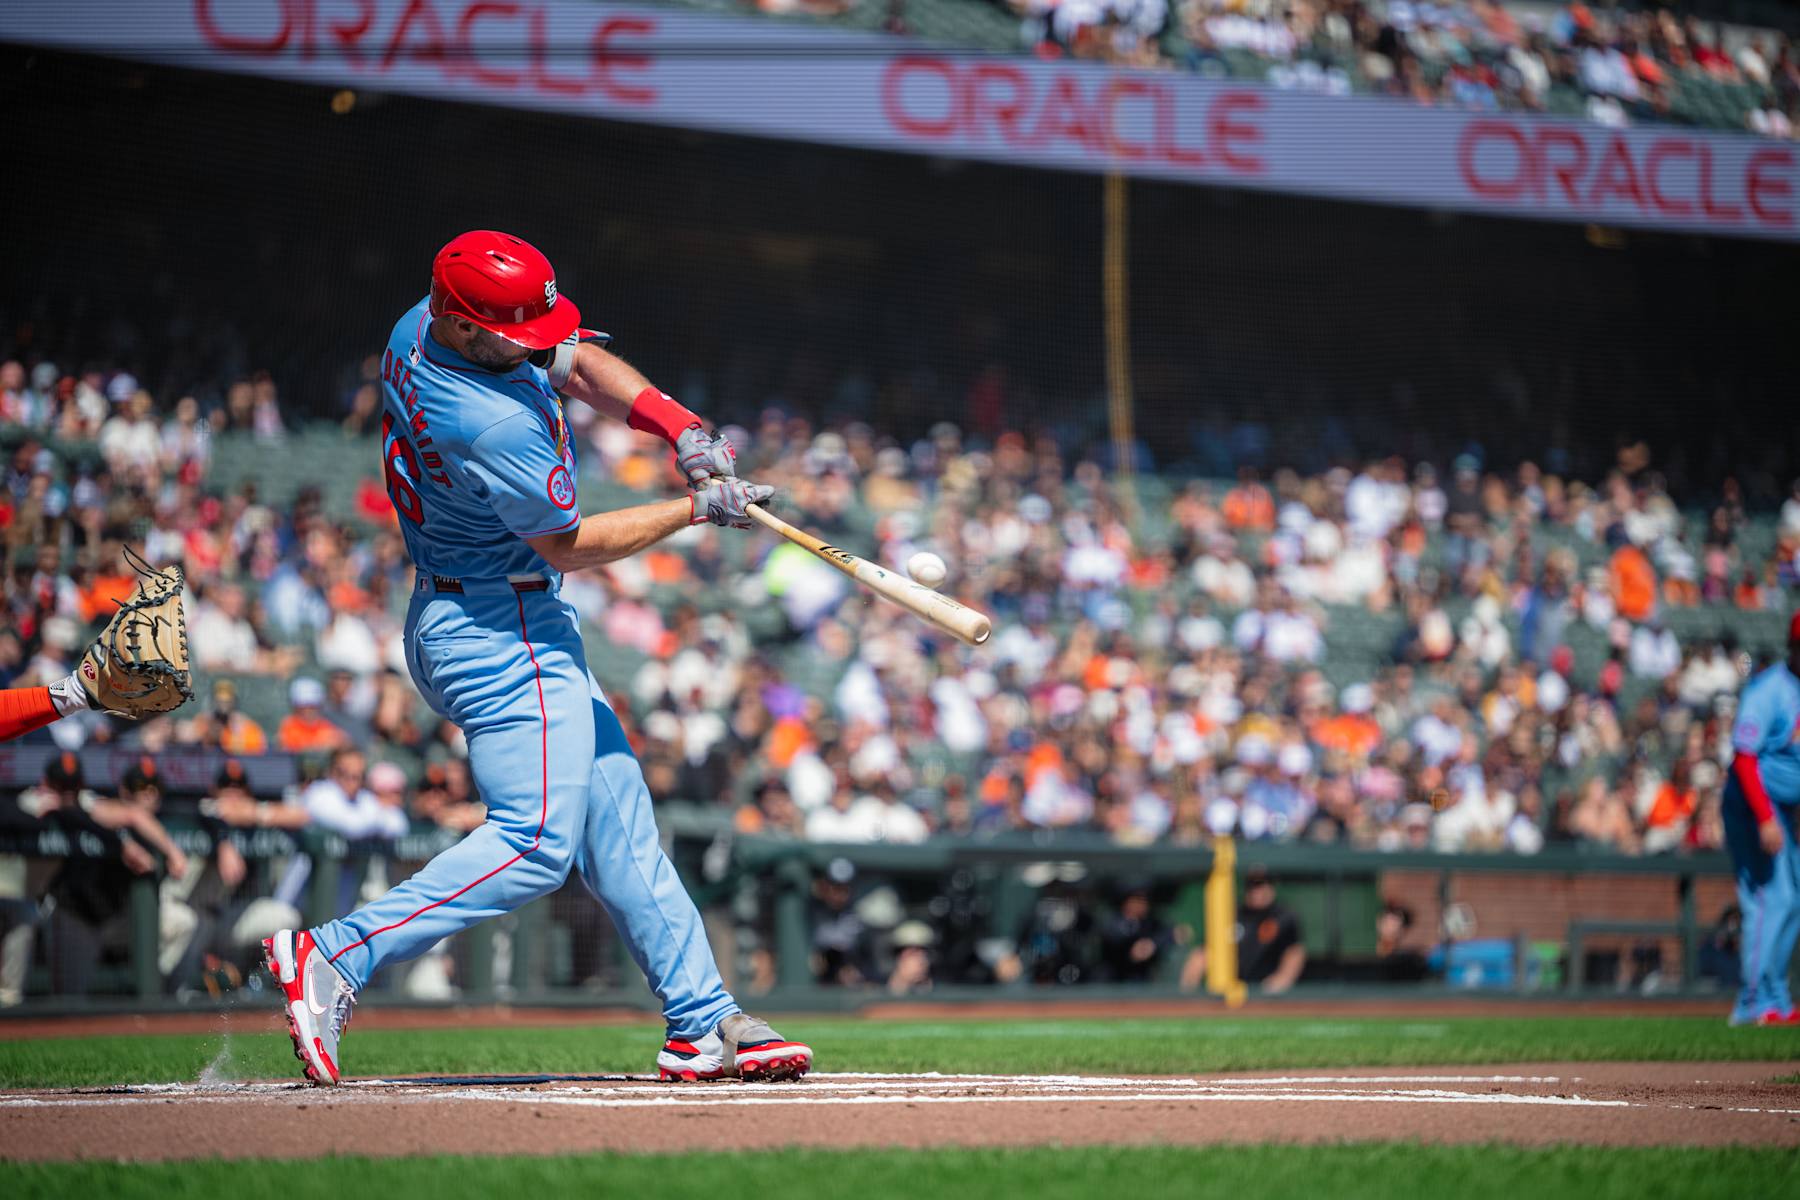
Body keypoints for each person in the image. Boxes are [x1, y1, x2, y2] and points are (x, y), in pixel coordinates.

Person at [264, 230, 809, 1086]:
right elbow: (568, 545)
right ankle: (337, 952)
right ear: (463, 321)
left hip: (487, 613)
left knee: (619, 823)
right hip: (497, 627)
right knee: (535, 845)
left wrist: (683, 428)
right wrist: (695, 510)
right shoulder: (482, 419)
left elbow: (579, 363)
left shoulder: (424, 323)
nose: (537, 342)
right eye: (514, 332)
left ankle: (703, 1022)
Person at [1721, 611, 1800, 1026]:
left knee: (1794, 900)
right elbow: (1745, 757)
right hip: (1752, 806)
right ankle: (1751, 1004)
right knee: (1771, 899)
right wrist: (1766, 818)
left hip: (1785, 812)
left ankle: (1776, 999)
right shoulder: (1770, 691)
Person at [1235, 866, 1307, 994]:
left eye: (1261, 885)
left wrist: (1282, 979)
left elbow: (1295, 952)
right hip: (1234, 990)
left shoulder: (1283, 916)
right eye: (1251, 885)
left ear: (1271, 887)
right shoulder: (1234, 914)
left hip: (1269, 989)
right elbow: (1205, 953)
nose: (1255, 891)